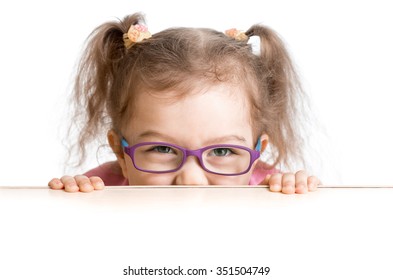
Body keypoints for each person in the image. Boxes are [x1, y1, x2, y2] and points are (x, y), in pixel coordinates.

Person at [48, 13, 320, 194]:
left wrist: (296, 196)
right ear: (120, 151)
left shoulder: (268, 189)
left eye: (223, 151)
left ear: (257, 151)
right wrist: (72, 201)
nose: (191, 181)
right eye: (163, 148)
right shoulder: (103, 190)